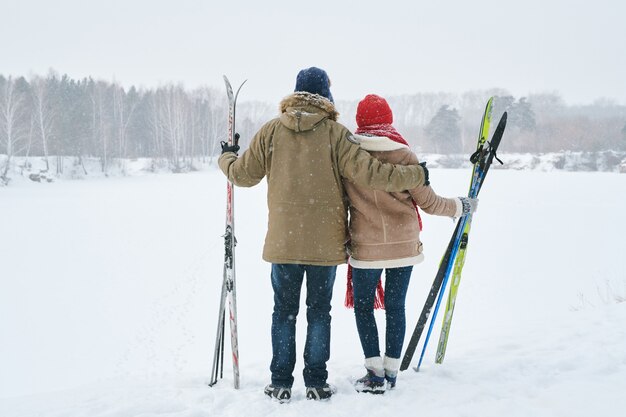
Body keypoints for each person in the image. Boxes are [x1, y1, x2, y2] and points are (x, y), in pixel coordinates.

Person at [218, 68, 428, 403]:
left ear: (296, 93)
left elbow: (242, 175)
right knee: (318, 311)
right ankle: (316, 381)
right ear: (326, 97)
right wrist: (415, 173)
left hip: (284, 243)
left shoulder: (272, 131)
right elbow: (372, 173)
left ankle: (281, 382)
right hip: (325, 245)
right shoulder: (336, 134)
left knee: (283, 311)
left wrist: (228, 155)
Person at [343, 94, 478, 394]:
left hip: (367, 247)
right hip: (404, 245)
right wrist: (460, 206)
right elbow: (429, 203)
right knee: (396, 306)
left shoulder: (349, 156)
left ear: (360, 121)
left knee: (364, 308)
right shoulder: (405, 156)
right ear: (388, 119)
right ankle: (391, 371)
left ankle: (374, 372)